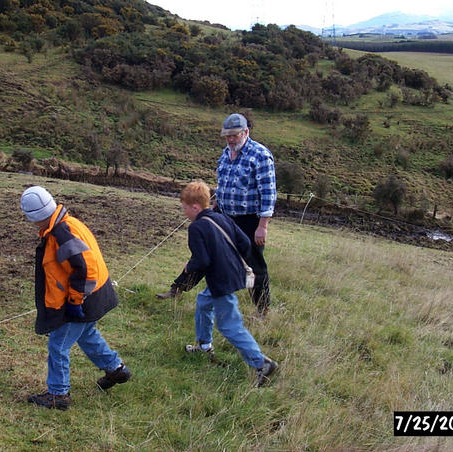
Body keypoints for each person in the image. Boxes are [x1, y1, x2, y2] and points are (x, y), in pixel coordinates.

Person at [21, 186, 131, 410]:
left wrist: (75, 301)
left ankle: (58, 394)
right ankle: (115, 369)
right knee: (87, 333)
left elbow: (85, 269)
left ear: (34, 217)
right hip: (96, 294)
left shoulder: (62, 233)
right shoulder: (68, 222)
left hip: (83, 299)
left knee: (58, 345)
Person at [157, 113, 276, 315]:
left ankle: (262, 309)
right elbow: (223, 185)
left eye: (234, 136)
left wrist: (262, 226)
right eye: (227, 136)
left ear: (246, 132)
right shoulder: (225, 153)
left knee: (255, 264)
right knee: (205, 252)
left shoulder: (261, 156)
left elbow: (269, 192)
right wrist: (213, 205)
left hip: (249, 219)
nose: (230, 140)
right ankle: (177, 288)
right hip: (223, 214)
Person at [175, 181, 277, 386]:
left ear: (194, 207)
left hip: (221, 282)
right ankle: (204, 345)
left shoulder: (196, 228)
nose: (183, 211)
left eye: (184, 207)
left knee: (229, 325)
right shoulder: (222, 218)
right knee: (204, 302)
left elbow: (202, 260)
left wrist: (189, 266)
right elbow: (245, 243)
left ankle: (261, 363)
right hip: (233, 274)